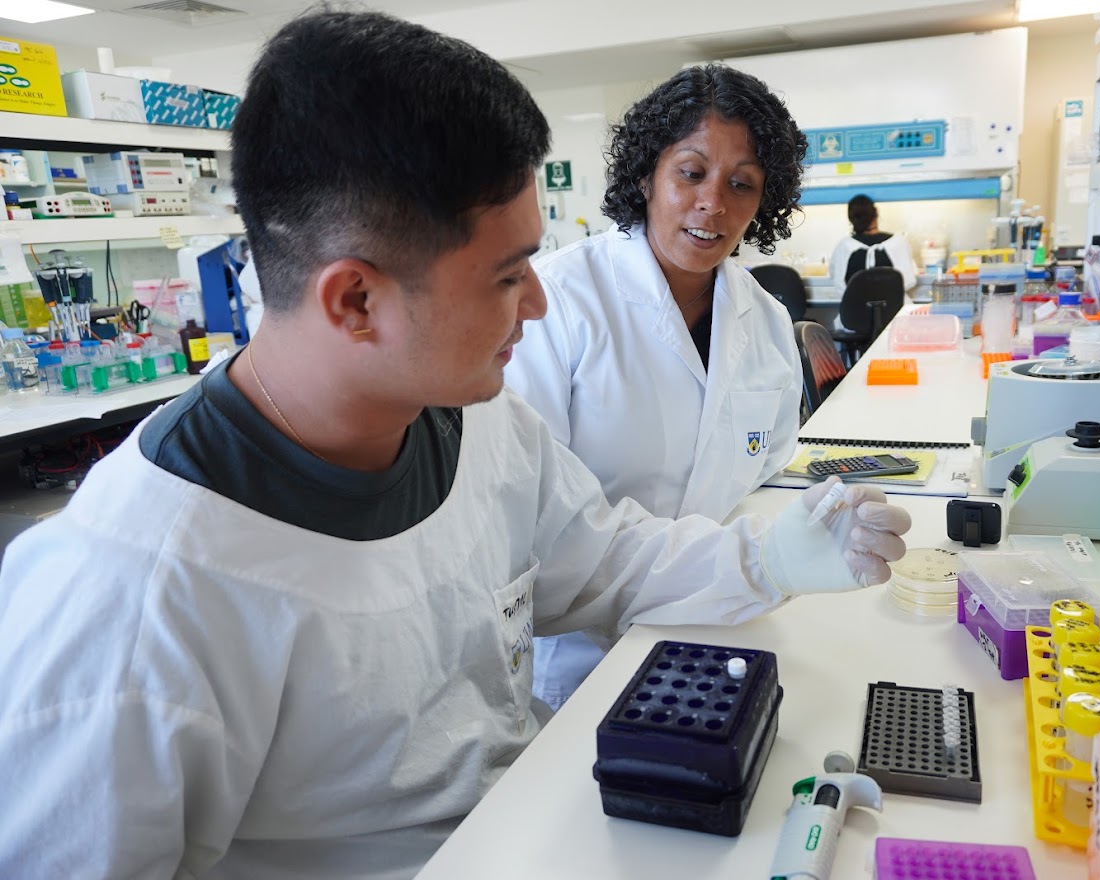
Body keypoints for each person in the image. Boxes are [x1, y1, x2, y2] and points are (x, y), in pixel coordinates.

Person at [0, 11, 911, 879]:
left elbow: (606, 561)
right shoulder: (131, 603)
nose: (542, 304)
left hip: (542, 829)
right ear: (355, 300)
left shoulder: (473, 421)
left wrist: (770, 555)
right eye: (509, 277)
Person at [504, 64, 807, 710]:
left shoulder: (768, 322)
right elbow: (534, 530)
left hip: (720, 636)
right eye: (691, 173)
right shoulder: (557, 302)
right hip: (584, 659)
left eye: (742, 184)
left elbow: (764, 469)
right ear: (646, 175)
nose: (713, 204)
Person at [828, 193, 918, 294]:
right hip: (894, 308)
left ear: (851, 219)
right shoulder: (898, 242)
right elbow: (909, 280)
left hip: (855, 309)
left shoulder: (844, 246)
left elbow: (835, 277)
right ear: (876, 215)